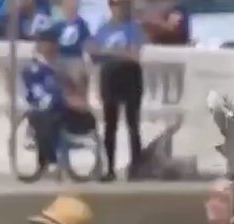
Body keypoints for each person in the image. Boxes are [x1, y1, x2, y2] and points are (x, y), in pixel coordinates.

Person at [22, 26, 99, 174]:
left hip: (65, 110)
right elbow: (42, 94)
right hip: (45, 110)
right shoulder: (34, 68)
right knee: (46, 117)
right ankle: (51, 161)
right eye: (49, 44)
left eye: (54, 44)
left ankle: (78, 163)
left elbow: (72, 89)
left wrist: (77, 99)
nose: (53, 48)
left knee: (85, 117)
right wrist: (67, 100)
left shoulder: (60, 68)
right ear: (41, 46)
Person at [90, 0, 145, 182]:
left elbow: (134, 56)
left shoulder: (132, 28)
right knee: (109, 126)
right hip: (109, 78)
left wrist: (108, 51)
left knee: (132, 124)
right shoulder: (103, 28)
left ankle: (136, 169)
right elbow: (94, 54)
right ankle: (110, 169)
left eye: (119, 4)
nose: (116, 7)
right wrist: (115, 52)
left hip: (129, 77)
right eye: (113, 3)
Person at [55, 0, 93, 89]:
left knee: (76, 73)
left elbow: (88, 43)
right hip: (59, 57)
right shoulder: (59, 24)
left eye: (72, 3)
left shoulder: (81, 24)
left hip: (75, 58)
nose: (70, 7)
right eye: (67, 4)